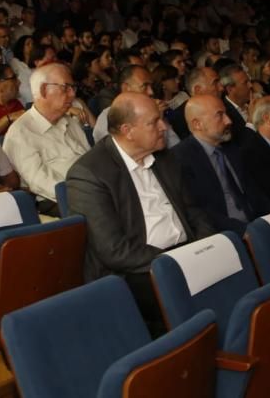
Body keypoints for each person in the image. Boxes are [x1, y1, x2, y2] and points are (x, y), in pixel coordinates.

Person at [65, 93, 215, 323]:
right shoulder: (89, 174)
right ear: (128, 131)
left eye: (162, 118)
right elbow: (114, 250)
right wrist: (176, 262)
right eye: (154, 122)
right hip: (137, 272)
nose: (164, 127)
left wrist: (205, 246)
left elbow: (193, 211)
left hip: (185, 254)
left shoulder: (164, 157)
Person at [172, 95, 268, 235]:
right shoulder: (180, 158)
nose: (228, 121)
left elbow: (255, 191)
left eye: (226, 113)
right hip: (225, 235)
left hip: (257, 225)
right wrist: (245, 231)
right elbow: (201, 213)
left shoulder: (232, 147)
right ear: (197, 124)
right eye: (219, 115)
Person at [3, 64, 91, 213]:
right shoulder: (21, 132)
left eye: (73, 88)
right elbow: (40, 183)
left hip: (91, 190)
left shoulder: (70, 121)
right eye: (65, 88)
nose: (72, 94)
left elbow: (89, 158)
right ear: (44, 90)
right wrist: (87, 194)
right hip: (56, 201)